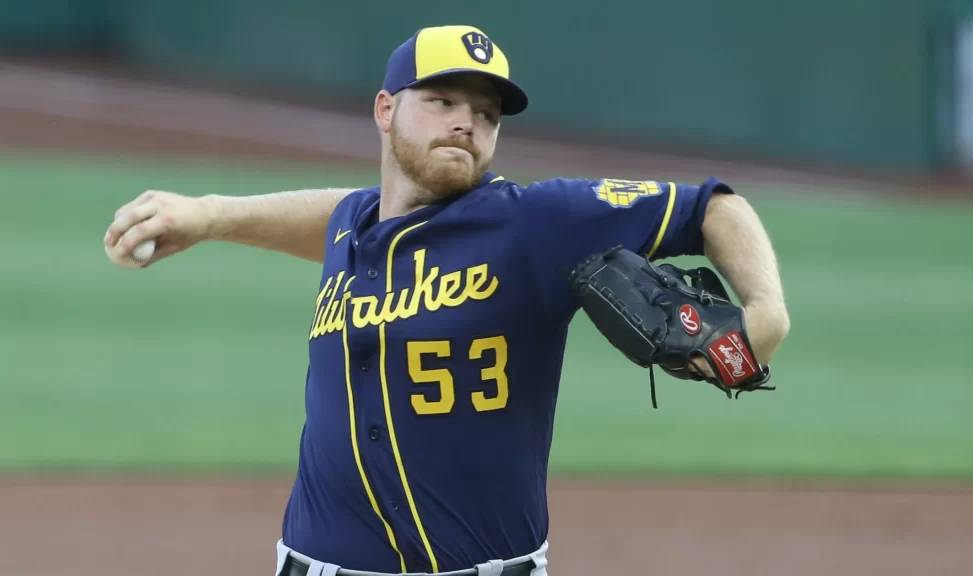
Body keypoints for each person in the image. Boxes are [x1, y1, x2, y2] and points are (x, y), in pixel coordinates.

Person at [103, 24, 790, 576]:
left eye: (485, 113)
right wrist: (210, 214)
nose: (466, 122)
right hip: (309, 563)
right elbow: (338, 214)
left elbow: (711, 206)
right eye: (443, 101)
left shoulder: (536, 223)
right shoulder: (355, 227)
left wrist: (766, 315)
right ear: (384, 109)